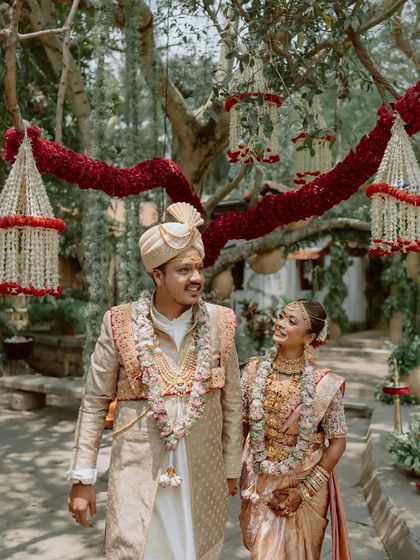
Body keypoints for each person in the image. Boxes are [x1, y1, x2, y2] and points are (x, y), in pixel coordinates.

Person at [67, 202, 243, 560]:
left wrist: (230, 468)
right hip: (138, 474)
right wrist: (83, 477)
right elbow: (95, 401)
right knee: (135, 549)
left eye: (198, 268)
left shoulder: (221, 323)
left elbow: (233, 401)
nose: (196, 278)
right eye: (183, 270)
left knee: (197, 550)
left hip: (201, 475)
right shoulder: (120, 323)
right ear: (157, 275)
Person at [240, 299, 351, 560]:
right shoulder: (254, 370)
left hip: (305, 483)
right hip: (260, 480)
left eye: (292, 321)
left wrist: (303, 492)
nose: (280, 323)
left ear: (309, 337)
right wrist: (232, 473)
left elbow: (337, 441)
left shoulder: (324, 383)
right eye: (282, 316)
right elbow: (242, 425)